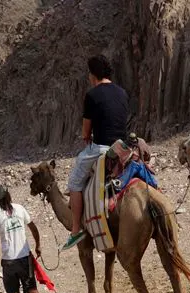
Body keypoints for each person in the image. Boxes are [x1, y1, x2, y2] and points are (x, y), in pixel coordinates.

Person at [62, 55, 130, 250]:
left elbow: (86, 132)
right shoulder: (122, 92)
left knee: (74, 182)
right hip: (123, 147)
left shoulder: (92, 95)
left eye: (89, 74)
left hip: (101, 147)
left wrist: (87, 137)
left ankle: (75, 230)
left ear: (93, 75)